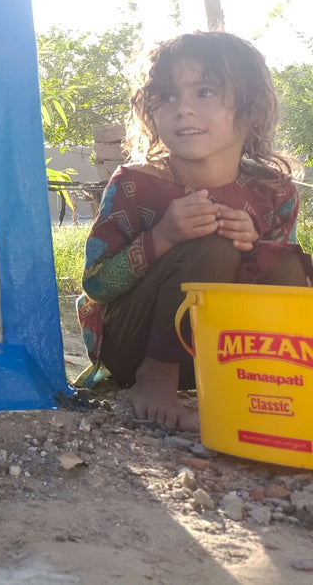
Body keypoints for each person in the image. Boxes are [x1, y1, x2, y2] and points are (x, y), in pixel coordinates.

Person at [76, 31, 312, 431]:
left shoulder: (274, 192)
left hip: (220, 357)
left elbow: (289, 288)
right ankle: (157, 377)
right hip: (132, 347)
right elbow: (96, 287)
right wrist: (163, 236)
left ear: (251, 109)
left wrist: (254, 246)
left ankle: (274, 381)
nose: (182, 108)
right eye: (167, 95)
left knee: (287, 262)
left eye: (204, 92)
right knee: (212, 244)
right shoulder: (134, 183)